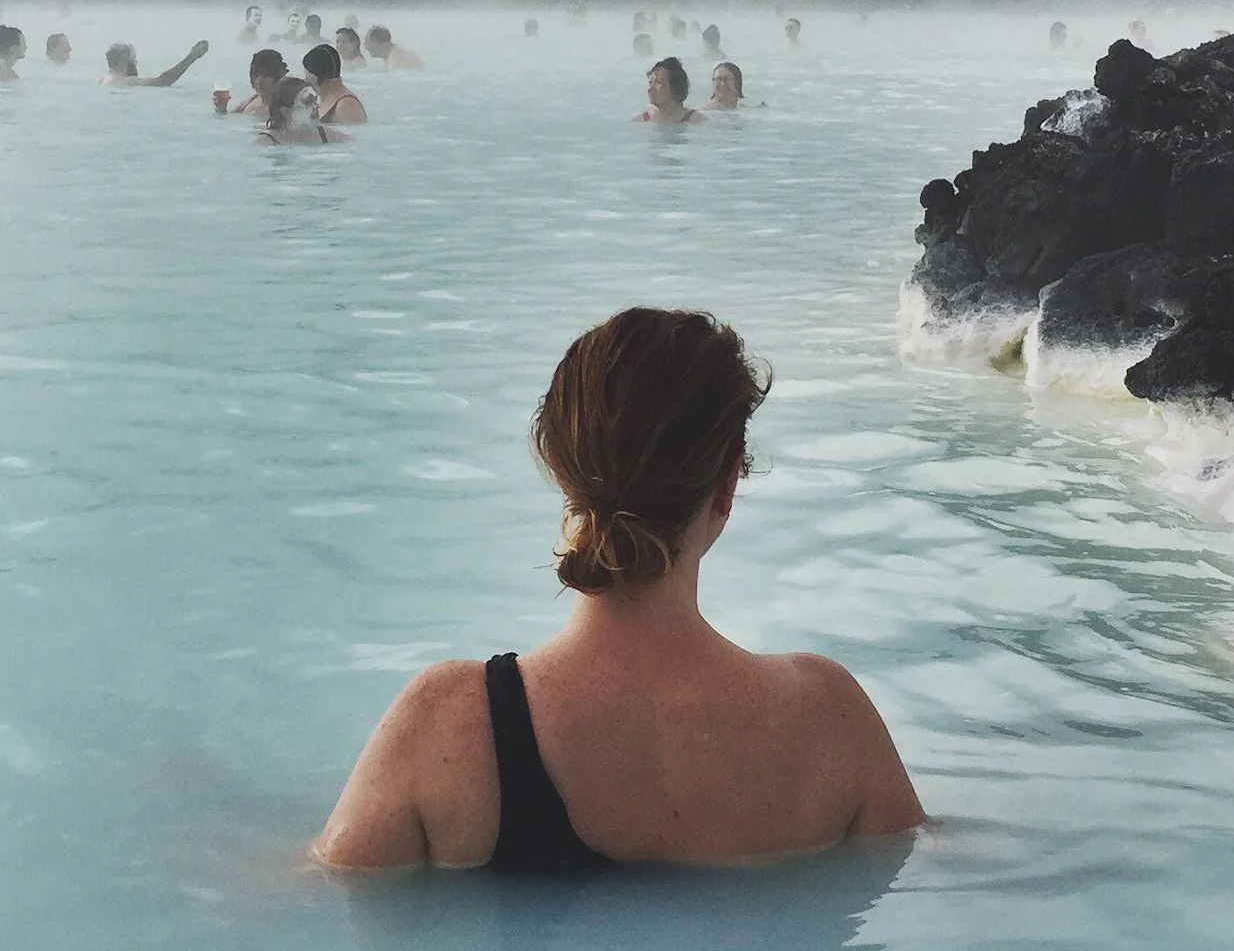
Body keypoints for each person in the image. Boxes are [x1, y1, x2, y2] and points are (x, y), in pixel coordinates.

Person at [314, 308, 923, 872]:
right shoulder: (829, 723)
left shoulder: (449, 725)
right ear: (727, 484)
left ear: (557, 466)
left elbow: (316, 899)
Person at [259, 76, 350, 146]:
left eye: (315, 100)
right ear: (285, 111)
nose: (316, 107)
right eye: (308, 102)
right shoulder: (264, 142)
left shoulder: (327, 135)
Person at [304, 44, 368, 125]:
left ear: (315, 76)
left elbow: (356, 136)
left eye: (307, 74)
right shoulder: (321, 99)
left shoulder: (346, 105)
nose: (306, 80)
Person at [102, 39, 209, 86]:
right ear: (124, 59)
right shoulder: (127, 82)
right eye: (133, 59)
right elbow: (163, 81)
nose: (135, 63)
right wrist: (191, 58)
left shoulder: (102, 80)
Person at [635, 58, 704, 123]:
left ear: (675, 86)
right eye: (650, 83)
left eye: (658, 82)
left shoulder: (694, 119)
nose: (650, 89)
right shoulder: (644, 119)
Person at [232, 48, 288, 117]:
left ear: (277, 77)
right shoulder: (251, 100)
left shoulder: (285, 109)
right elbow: (230, 116)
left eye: (265, 76)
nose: (259, 82)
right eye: (256, 75)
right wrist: (221, 108)